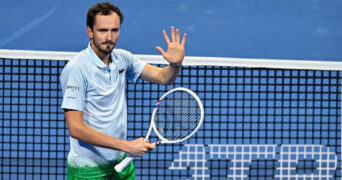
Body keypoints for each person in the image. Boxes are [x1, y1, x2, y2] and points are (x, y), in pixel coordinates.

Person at [60, 2, 186, 180]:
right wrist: (127, 146)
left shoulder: (122, 59)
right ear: (90, 31)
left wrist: (175, 64)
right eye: (102, 30)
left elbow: (164, 78)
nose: (109, 37)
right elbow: (76, 129)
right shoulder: (77, 69)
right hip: (87, 172)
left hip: (121, 167)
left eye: (115, 30)